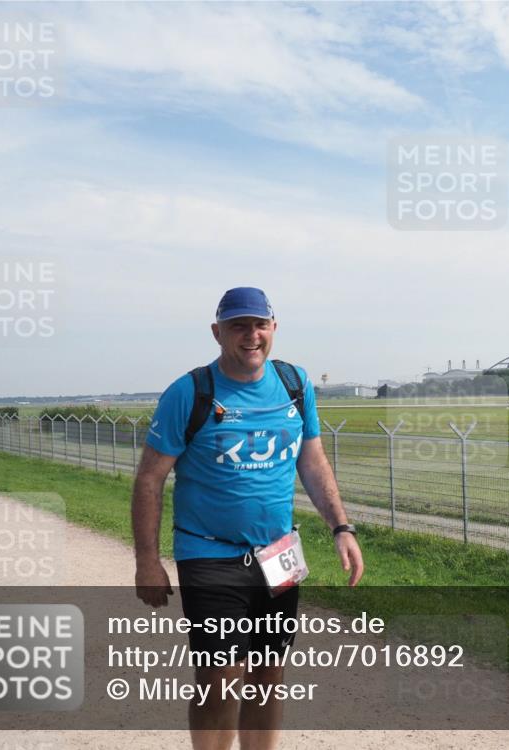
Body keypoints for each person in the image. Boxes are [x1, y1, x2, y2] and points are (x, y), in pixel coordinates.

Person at [131, 287, 363, 750]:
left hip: (279, 554)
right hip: (209, 554)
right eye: (238, 326)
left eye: (259, 325)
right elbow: (150, 479)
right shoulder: (189, 393)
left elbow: (313, 461)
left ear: (273, 328)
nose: (251, 335)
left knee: (269, 672)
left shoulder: (295, 384)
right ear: (217, 333)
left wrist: (341, 527)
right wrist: (147, 562)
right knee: (219, 677)